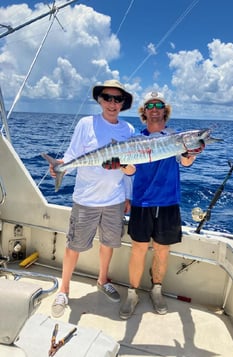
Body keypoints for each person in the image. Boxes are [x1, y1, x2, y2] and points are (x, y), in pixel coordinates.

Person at [49, 80, 136, 318]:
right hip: (86, 199)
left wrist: (128, 195)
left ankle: (102, 280)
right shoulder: (87, 123)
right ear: (100, 100)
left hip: (115, 200)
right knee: (73, 246)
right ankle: (64, 289)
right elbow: (72, 155)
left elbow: (130, 167)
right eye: (107, 97)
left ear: (123, 104)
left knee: (108, 244)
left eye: (117, 99)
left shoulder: (128, 130)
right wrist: (60, 167)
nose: (112, 103)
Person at [119, 91, 204, 320]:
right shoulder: (135, 139)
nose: (154, 108)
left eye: (159, 104)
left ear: (165, 110)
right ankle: (133, 293)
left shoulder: (176, 137)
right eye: (150, 105)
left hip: (168, 201)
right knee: (138, 249)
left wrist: (191, 152)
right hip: (142, 201)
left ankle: (156, 289)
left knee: (162, 250)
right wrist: (122, 165)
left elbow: (185, 162)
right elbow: (130, 170)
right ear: (144, 112)